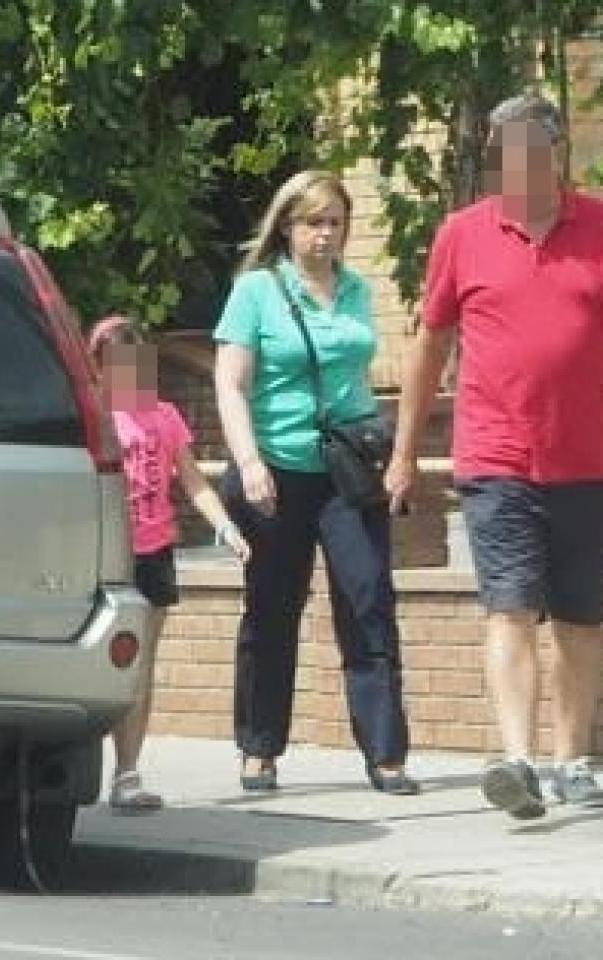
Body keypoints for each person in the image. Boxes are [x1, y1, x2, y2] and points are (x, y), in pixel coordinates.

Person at [386, 91, 603, 819]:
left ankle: (574, 761)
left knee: (581, 620)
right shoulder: (462, 235)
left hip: (590, 459)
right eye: (509, 152)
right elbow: (429, 344)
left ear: (556, 153)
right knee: (510, 609)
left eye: (535, 149)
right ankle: (518, 761)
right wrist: (404, 454)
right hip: (496, 457)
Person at [213, 169, 419, 797]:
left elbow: (359, 373)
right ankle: (259, 747)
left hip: (347, 474)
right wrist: (249, 463)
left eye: (335, 222)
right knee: (273, 610)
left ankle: (386, 754)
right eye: (313, 222)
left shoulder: (356, 289)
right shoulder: (257, 291)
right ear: (287, 226)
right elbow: (230, 383)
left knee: (368, 602)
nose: (325, 234)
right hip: (277, 472)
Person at [89, 315, 250, 814]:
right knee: (100, 666)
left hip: (153, 550)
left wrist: (227, 528)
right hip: (104, 552)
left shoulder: (163, 417)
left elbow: (193, 481)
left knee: (139, 666)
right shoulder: (93, 418)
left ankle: (129, 772)